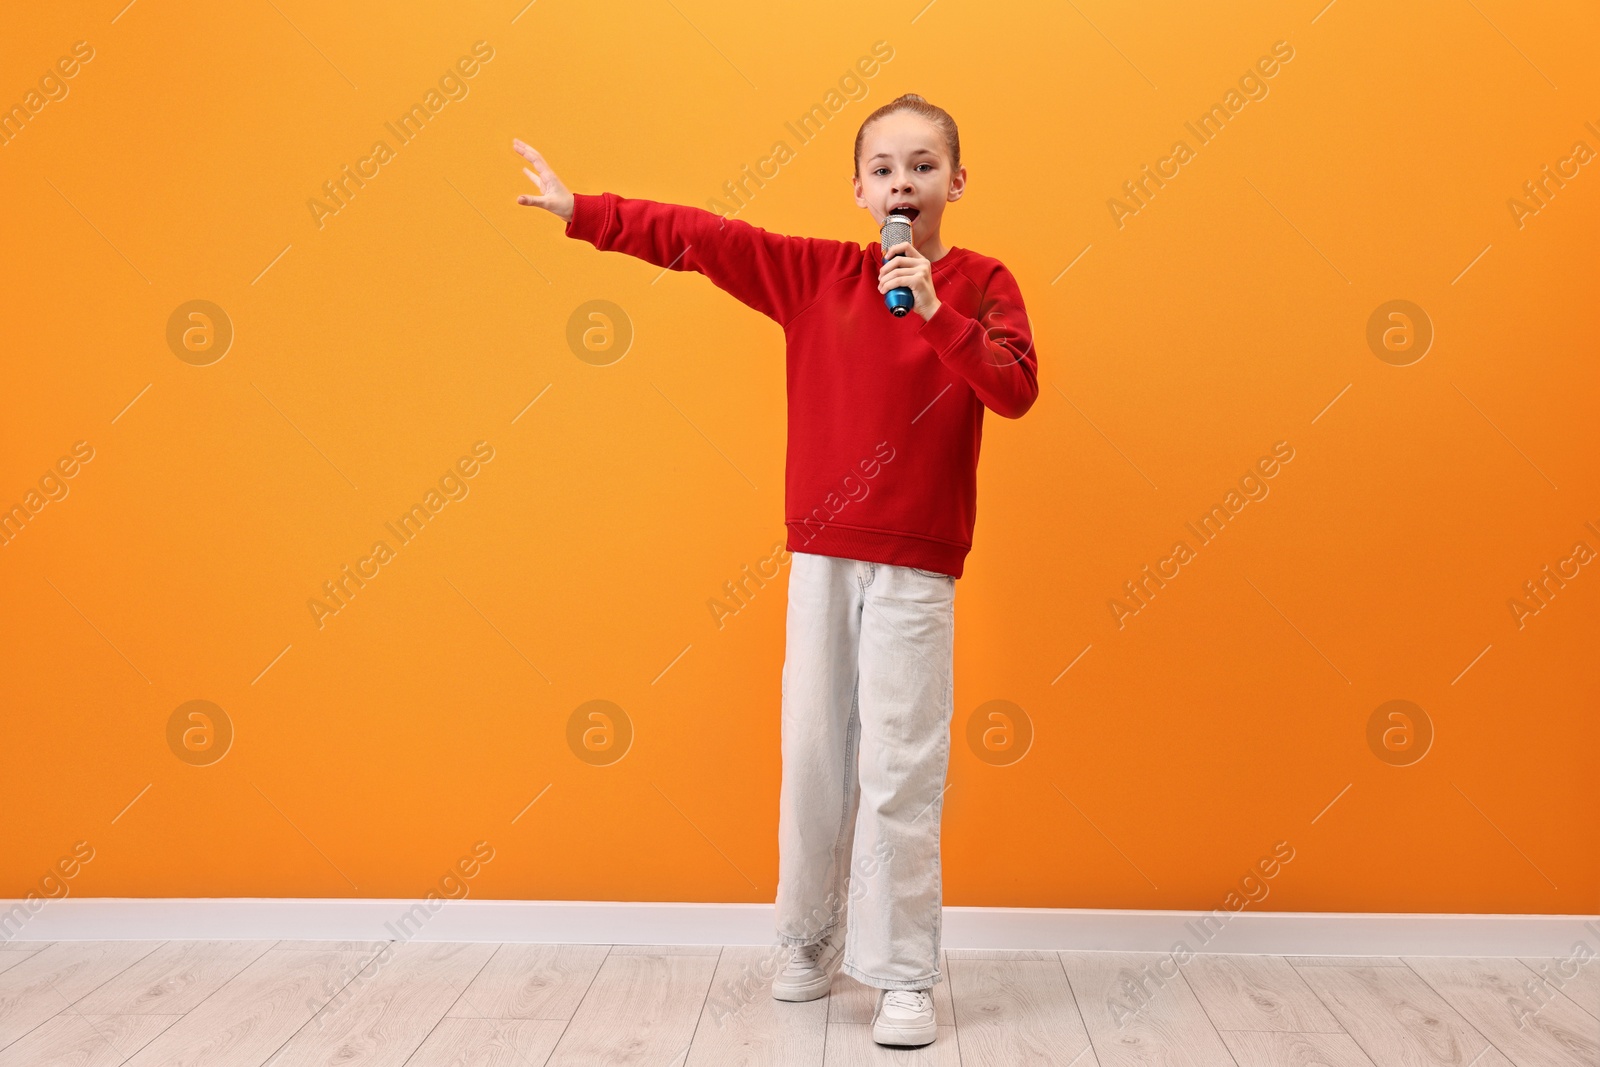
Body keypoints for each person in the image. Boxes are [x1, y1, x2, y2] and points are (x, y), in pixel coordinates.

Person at [513, 93, 1039, 1049]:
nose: (901, 184)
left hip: (917, 565)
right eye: (883, 168)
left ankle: (903, 974)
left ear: (956, 184)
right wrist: (585, 212)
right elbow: (705, 238)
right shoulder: (813, 275)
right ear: (856, 188)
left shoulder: (983, 280)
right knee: (813, 756)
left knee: (899, 766)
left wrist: (933, 311)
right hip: (823, 555)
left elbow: (1013, 389)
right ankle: (807, 941)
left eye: (922, 167)